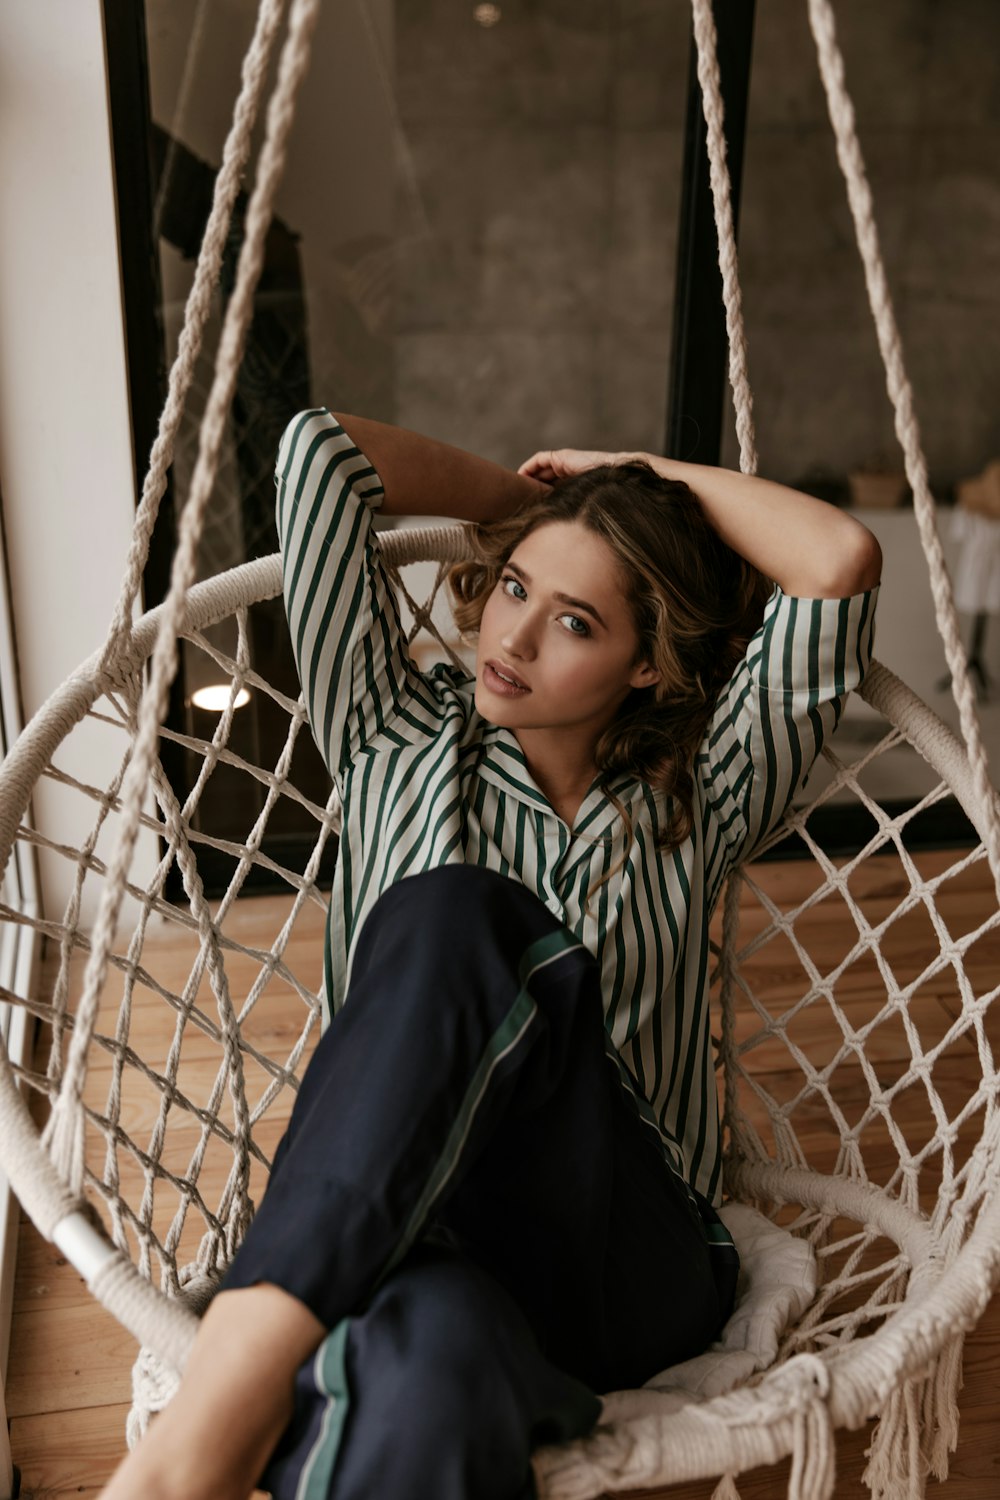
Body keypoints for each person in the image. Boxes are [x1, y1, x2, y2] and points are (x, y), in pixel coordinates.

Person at [99, 409, 881, 1500]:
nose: (508, 639)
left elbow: (839, 561)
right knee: (427, 1369)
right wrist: (532, 508)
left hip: (620, 1253)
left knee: (459, 916)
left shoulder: (703, 792)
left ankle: (196, 1443)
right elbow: (318, 449)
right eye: (513, 587)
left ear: (648, 663)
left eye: (572, 623)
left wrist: (629, 475)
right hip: (418, 1241)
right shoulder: (388, 734)